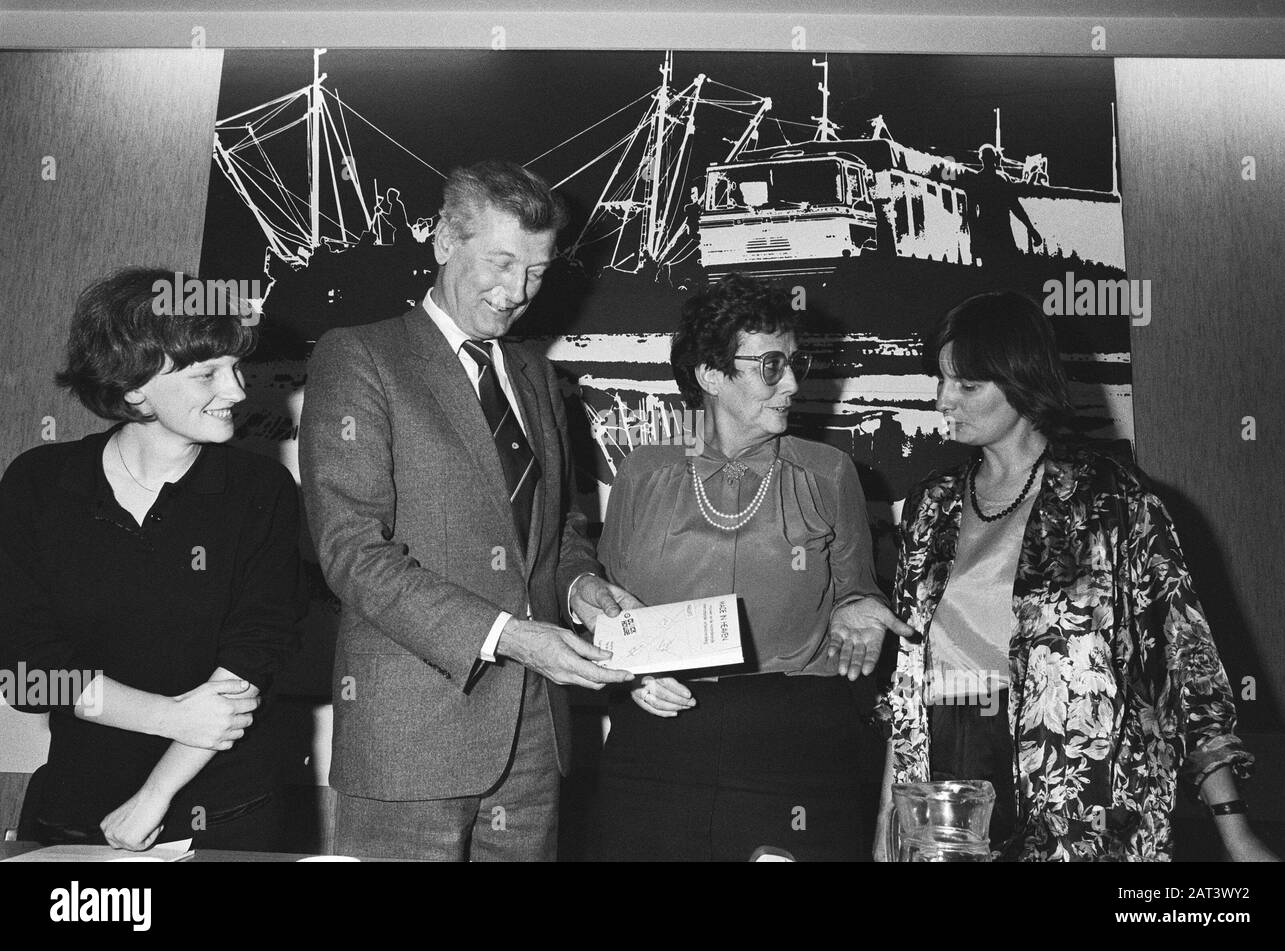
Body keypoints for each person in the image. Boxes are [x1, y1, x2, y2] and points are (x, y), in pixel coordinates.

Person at [299, 160, 636, 862]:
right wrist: (511, 635)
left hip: (536, 741)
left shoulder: (537, 376)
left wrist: (583, 589)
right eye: (502, 261)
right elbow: (352, 552)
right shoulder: (359, 356)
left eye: (537, 271)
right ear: (444, 242)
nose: (517, 292)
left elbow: (559, 532)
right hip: (409, 744)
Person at [876, 290, 1272, 861]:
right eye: (940, 381)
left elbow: (1187, 668)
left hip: (1079, 790)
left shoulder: (1111, 500)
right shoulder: (929, 507)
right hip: (946, 781)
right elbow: (906, 680)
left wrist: (1235, 833)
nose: (943, 400)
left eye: (965, 385)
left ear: (1019, 382)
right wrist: (890, 821)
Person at [588, 272, 915, 861]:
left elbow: (855, 592)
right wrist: (635, 673)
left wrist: (862, 608)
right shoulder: (644, 472)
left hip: (791, 741)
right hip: (660, 738)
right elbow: (609, 610)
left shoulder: (830, 472)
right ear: (711, 375)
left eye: (794, 364)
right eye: (770, 366)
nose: (790, 382)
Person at [0, 267, 306, 851]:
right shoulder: (40, 483)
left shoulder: (260, 490)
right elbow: (26, 671)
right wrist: (167, 715)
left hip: (225, 812)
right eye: (207, 374)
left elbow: (250, 661)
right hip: (76, 806)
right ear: (134, 387)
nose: (238, 392)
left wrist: (154, 796)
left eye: (236, 368)